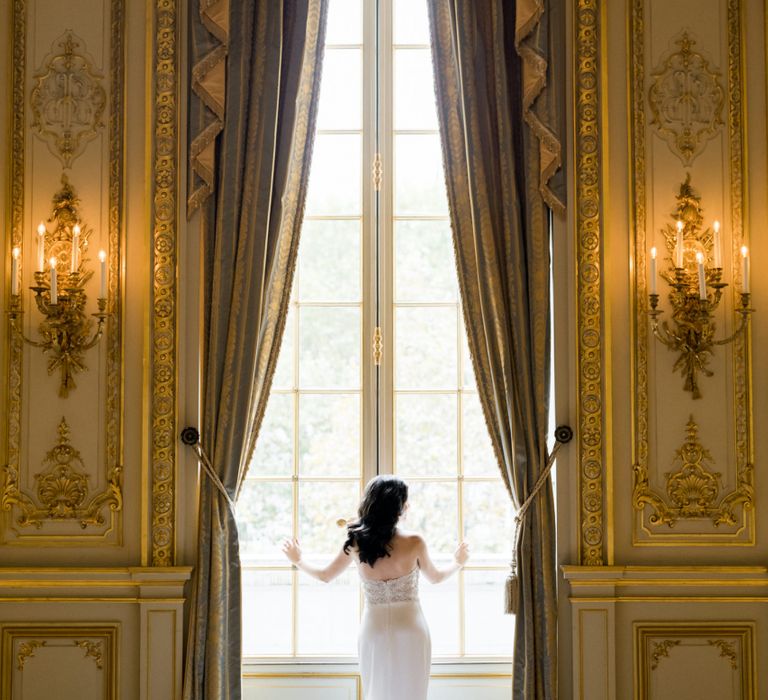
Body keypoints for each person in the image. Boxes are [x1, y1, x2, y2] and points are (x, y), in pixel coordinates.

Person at [282, 474, 469, 700]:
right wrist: (458, 562)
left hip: (374, 629)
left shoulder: (356, 542)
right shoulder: (415, 542)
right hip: (412, 627)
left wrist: (298, 560)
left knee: (377, 691)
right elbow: (436, 578)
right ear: (399, 507)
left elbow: (325, 575)